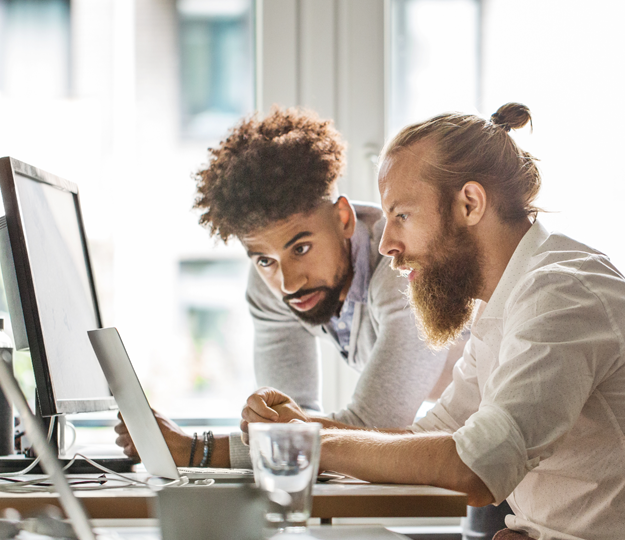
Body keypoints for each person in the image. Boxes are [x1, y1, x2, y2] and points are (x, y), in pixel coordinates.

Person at [242, 103, 625, 540]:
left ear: (470, 203)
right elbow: (433, 433)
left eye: (401, 216)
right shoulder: (504, 301)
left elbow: (474, 466)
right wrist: (305, 430)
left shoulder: (561, 292)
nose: (387, 244)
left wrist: (310, 442)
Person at [115, 107, 458, 468]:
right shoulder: (271, 287)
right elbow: (289, 423)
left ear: (343, 218)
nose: (288, 282)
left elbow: (369, 433)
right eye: (264, 259)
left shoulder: (401, 268)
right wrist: (271, 432)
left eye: (301, 248)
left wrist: (195, 449)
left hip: (501, 445)